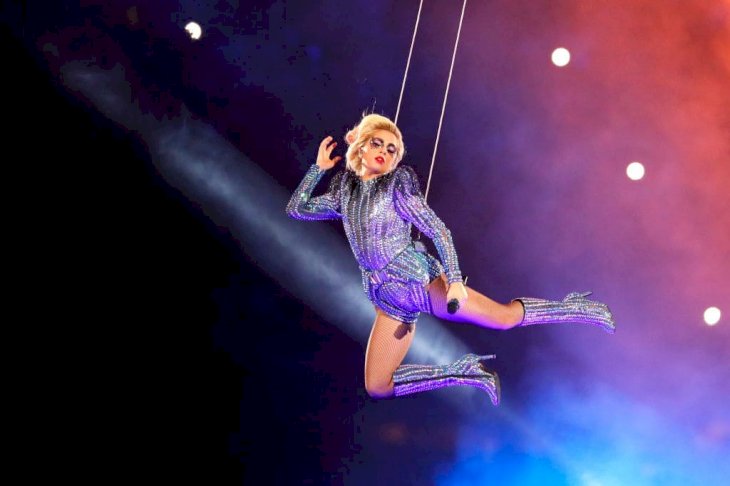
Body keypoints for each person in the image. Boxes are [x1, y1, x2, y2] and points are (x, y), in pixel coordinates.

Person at [286, 113, 615, 406]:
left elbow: (438, 231)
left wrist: (455, 282)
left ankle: (577, 308)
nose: (384, 152)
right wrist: (318, 170)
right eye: (378, 144)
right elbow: (297, 208)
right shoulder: (346, 191)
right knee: (377, 385)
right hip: (388, 300)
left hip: (420, 283)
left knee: (504, 318)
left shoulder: (397, 187)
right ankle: (465, 372)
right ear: (360, 147)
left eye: (391, 149)